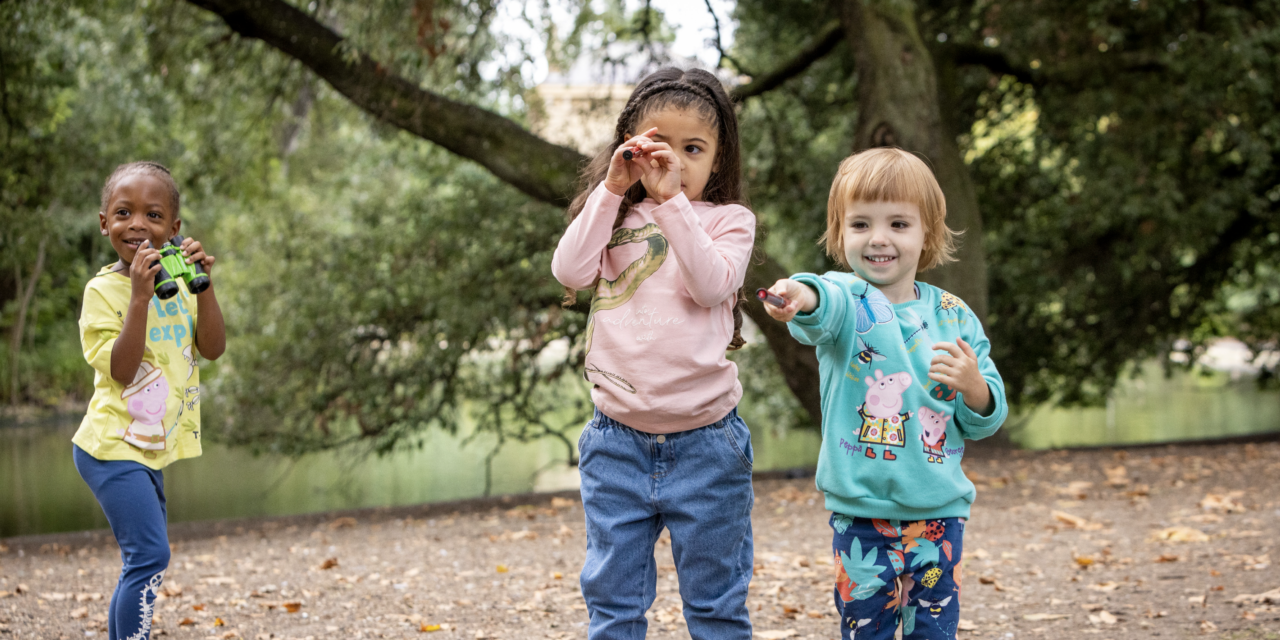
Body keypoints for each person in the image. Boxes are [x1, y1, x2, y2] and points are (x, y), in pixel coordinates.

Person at [761, 148, 1007, 639]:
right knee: (865, 627)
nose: (878, 239)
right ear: (840, 233)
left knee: (933, 625)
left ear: (927, 234)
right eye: (860, 224)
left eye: (898, 224)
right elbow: (819, 298)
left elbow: (986, 416)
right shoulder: (849, 302)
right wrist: (797, 294)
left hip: (938, 525)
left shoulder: (954, 316)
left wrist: (974, 388)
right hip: (860, 522)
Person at [551, 67, 757, 640]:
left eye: (695, 149)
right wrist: (613, 188)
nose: (678, 162)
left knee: (715, 607)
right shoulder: (611, 217)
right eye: (661, 146)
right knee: (613, 604)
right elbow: (568, 271)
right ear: (631, 149)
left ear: (718, 159)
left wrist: (671, 205)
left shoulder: (729, 222)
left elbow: (712, 285)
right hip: (616, 443)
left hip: (707, 446)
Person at [73, 161, 225, 640]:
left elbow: (213, 348)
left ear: (174, 230)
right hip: (111, 448)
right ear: (104, 224)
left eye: (153, 216)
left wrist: (205, 282)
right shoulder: (102, 291)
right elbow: (121, 369)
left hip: (148, 446)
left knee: (141, 560)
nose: (137, 224)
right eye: (123, 212)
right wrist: (138, 298)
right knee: (150, 557)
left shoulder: (178, 283)